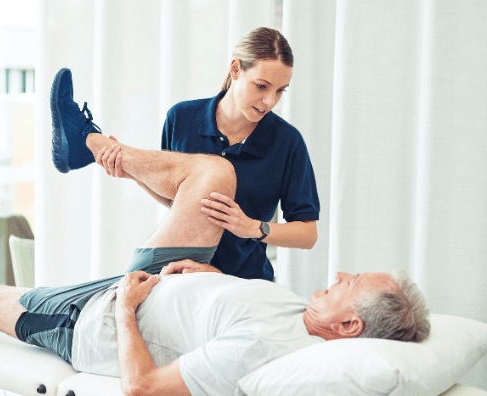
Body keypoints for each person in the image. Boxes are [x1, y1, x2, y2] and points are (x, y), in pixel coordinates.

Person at [0, 69, 430, 396]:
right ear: (236, 75)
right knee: (212, 173)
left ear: (349, 326)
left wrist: (126, 314)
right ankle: (89, 147)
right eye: (260, 86)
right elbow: (179, 202)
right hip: (170, 276)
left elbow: (141, 388)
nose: (341, 276)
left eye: (351, 284)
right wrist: (211, 275)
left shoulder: (270, 355)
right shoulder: (301, 312)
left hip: (107, 317)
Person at [93, 27, 318, 281]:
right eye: (262, 86)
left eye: (280, 91)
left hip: (242, 281)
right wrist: (133, 175)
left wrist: (253, 227)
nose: (269, 101)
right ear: (236, 69)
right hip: (177, 273)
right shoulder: (181, 118)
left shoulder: (287, 142)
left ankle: (89, 140)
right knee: (115, 296)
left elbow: (308, 234)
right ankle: (99, 145)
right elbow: (177, 201)